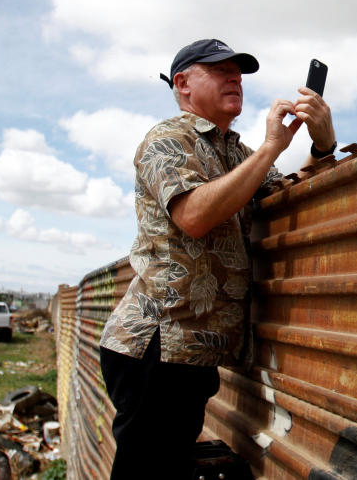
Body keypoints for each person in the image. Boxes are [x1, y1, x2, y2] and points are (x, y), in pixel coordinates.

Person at [99, 38, 336, 479]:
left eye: (239, 72)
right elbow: (193, 215)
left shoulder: (235, 153)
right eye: (220, 70)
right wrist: (271, 148)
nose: (236, 78)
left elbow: (286, 195)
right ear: (183, 83)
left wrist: (322, 147)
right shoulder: (167, 138)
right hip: (156, 346)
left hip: (191, 352)